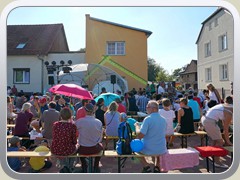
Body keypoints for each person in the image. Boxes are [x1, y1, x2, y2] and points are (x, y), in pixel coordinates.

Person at [135, 100, 167, 173]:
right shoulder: (163, 119)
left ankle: (146, 166)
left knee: (135, 148)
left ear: (154, 109)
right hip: (161, 148)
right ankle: (157, 166)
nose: (146, 108)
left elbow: (140, 135)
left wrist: (137, 127)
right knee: (157, 143)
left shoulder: (148, 119)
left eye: (148, 107)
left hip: (149, 149)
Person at [201, 96, 233, 168]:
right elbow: (226, 129)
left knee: (215, 140)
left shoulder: (226, 106)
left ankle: (211, 155)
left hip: (206, 119)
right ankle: (217, 162)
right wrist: (228, 141)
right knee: (220, 142)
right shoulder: (229, 113)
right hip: (209, 121)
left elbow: (223, 123)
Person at [75, 103, 103, 173]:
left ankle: (84, 165)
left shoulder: (79, 121)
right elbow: (100, 139)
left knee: (78, 148)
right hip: (94, 148)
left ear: (85, 111)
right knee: (101, 147)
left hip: (83, 149)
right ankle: (96, 165)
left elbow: (74, 131)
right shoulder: (98, 122)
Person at [51, 107, 78, 172]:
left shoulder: (55, 125)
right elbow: (74, 141)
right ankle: (70, 166)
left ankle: (64, 165)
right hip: (68, 150)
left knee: (64, 148)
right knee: (76, 148)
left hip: (56, 149)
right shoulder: (72, 125)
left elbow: (55, 137)